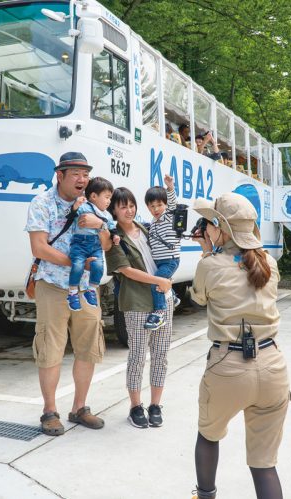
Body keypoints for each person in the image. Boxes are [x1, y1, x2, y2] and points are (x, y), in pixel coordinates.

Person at [190, 193, 290, 499]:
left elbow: (198, 298)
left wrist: (206, 255)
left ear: (221, 228)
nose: (205, 229)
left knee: (208, 435)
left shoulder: (211, 265)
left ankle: (205, 496)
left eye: (209, 223)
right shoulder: (269, 262)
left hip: (229, 365)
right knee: (264, 465)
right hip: (273, 365)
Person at [25, 152, 111, 436]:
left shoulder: (93, 205)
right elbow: (39, 248)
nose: (82, 179)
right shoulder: (42, 203)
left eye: (85, 174)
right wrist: (76, 262)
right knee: (51, 348)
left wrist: (99, 226)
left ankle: (80, 408)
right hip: (52, 285)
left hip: (86, 287)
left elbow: (107, 245)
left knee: (88, 347)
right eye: (75, 174)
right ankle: (50, 411)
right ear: (59, 175)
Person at [105, 187, 175, 429]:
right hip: (136, 302)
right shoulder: (114, 239)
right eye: (123, 206)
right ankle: (136, 406)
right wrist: (159, 281)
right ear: (113, 210)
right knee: (137, 356)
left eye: (132, 205)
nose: (129, 210)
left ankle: (155, 405)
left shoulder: (146, 228)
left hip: (163, 300)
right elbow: (125, 270)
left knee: (161, 355)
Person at [66, 177, 120, 311]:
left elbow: (112, 228)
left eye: (110, 198)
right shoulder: (84, 206)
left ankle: (91, 290)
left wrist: (115, 236)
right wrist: (75, 207)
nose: (109, 201)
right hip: (80, 243)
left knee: (99, 267)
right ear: (94, 196)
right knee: (77, 266)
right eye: (107, 197)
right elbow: (70, 217)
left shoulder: (106, 214)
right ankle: (72, 293)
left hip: (95, 245)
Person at [143, 173, 181, 330]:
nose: (156, 209)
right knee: (161, 281)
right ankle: (173, 295)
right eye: (152, 206)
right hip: (159, 261)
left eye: (159, 205)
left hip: (170, 260)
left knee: (157, 282)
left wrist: (170, 187)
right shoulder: (153, 221)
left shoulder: (168, 217)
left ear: (165, 205)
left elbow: (173, 205)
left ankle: (159, 313)